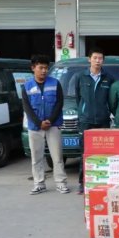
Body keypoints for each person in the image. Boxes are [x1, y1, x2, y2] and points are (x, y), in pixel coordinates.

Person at [22, 54, 69, 195]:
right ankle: (39, 183)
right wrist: (38, 122)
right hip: (35, 127)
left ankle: (61, 183)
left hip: (53, 125)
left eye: (46, 68)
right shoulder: (27, 86)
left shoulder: (55, 83)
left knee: (57, 157)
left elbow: (59, 103)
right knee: (36, 157)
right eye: (41, 68)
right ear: (33, 68)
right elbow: (27, 107)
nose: (44, 71)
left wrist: (50, 120)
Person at [75, 47, 114, 194]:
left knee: (103, 152)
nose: (98, 61)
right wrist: (83, 111)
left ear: (103, 60)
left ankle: (101, 181)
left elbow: (110, 100)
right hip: (86, 121)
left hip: (103, 121)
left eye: (100, 58)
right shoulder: (81, 77)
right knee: (85, 152)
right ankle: (82, 182)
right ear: (89, 59)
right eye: (95, 58)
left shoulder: (108, 78)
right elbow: (78, 98)